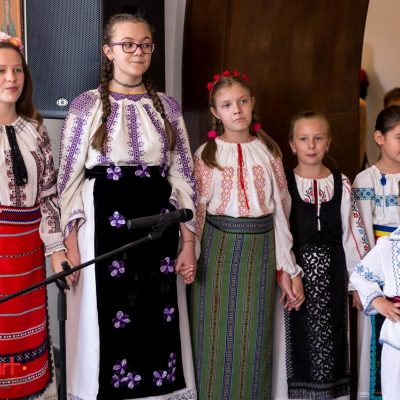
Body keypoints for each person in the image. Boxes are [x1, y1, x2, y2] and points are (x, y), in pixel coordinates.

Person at [57, 14, 197, 400]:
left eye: (145, 44)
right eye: (128, 44)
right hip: (103, 226)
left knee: (157, 318)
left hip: (159, 227)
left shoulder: (167, 106)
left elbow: (185, 177)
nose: (138, 52)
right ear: (109, 51)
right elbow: (67, 180)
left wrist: (188, 242)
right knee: (107, 320)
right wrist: (68, 243)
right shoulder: (86, 105)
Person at [190, 70, 305, 400]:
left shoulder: (269, 152)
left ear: (252, 103)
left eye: (242, 101)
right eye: (227, 105)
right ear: (215, 112)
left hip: (260, 254)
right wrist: (192, 255)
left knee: (253, 336)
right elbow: (198, 214)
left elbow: (281, 212)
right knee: (213, 336)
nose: (237, 110)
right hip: (216, 255)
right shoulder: (206, 155)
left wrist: (287, 268)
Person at [279, 111, 369, 399]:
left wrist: (358, 283)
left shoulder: (341, 184)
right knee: (297, 346)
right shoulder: (284, 185)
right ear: (292, 144)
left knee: (332, 346)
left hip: (333, 281)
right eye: (303, 139)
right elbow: (280, 233)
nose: (311, 145)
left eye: (318, 138)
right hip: (297, 279)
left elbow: (352, 235)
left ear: (328, 142)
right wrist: (288, 272)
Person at [0, 32, 70, 399]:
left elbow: (48, 197)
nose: (11, 78)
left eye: (17, 70)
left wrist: (56, 250)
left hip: (27, 252)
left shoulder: (36, 131)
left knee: (27, 332)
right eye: (1, 71)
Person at [352, 105, 400, 400]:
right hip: (377, 268)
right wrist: (364, 285)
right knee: (376, 340)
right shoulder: (365, 180)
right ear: (379, 138)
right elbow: (359, 232)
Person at [350, 228, 400, 400]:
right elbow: (360, 275)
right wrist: (378, 301)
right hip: (397, 332)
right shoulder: (389, 245)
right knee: (395, 388)